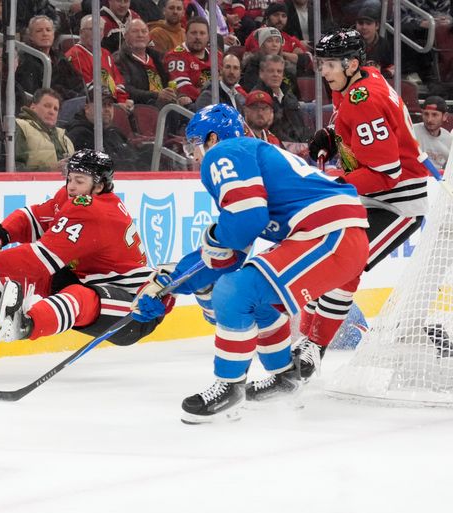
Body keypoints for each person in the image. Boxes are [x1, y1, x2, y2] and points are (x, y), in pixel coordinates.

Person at [131, 104, 370, 423]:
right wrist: (171, 282)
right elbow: (231, 254)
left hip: (330, 235)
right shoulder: (253, 155)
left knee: (234, 290)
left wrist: (183, 274)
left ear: (212, 137)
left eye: (195, 144)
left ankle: (229, 386)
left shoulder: (225, 151)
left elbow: (244, 223)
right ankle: (283, 377)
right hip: (335, 237)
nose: (196, 154)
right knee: (252, 295)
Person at [0, 149, 165, 362]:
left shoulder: (96, 211)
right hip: (90, 283)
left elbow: (39, 259)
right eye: (70, 178)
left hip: (135, 308)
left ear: (99, 185)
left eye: (79, 180)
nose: (71, 186)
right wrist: (1, 234)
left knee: (75, 294)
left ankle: (26, 325)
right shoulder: (74, 196)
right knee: (17, 280)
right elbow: (33, 217)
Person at [296, 29, 435, 383]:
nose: (323, 70)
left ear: (351, 63)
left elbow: (386, 171)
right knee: (323, 254)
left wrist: (334, 185)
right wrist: (334, 135)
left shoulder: (363, 97)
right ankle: (308, 341)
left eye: (328, 64)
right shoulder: (357, 81)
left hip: (397, 203)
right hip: (372, 194)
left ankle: (314, 346)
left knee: (346, 262)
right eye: (322, 62)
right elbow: (358, 131)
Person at [66, 87, 146, 170]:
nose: (107, 109)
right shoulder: (79, 135)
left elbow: (135, 159)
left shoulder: (115, 132)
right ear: (87, 108)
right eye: (102, 105)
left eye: (110, 105)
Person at [66, 15, 130, 105]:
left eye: (99, 29)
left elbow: (118, 82)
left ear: (103, 33)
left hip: (112, 104)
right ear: (81, 32)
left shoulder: (105, 53)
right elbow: (87, 90)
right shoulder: (74, 55)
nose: (96, 33)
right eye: (91, 29)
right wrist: (115, 104)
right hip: (94, 106)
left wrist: (122, 101)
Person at [17, 15, 85, 100]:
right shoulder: (25, 60)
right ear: (31, 36)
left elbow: (77, 82)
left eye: (48, 30)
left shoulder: (59, 56)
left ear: (53, 34)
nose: (45, 34)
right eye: (39, 31)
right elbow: (34, 91)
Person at [113, 18, 177, 108]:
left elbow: (170, 79)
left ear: (149, 36)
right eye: (135, 31)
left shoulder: (158, 57)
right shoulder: (119, 59)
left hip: (165, 106)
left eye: (144, 31)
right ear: (125, 35)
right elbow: (125, 89)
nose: (140, 35)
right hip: (139, 108)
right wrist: (156, 95)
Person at [165, 17, 222, 107]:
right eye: (193, 33)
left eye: (202, 33)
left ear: (208, 37)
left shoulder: (217, 55)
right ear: (186, 34)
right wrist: (214, 100)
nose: (198, 37)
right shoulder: (176, 56)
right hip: (193, 108)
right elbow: (184, 88)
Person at [15, 88, 75, 171]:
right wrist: (50, 170)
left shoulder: (65, 138)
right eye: (47, 106)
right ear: (33, 107)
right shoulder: (21, 126)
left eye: (55, 109)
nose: (52, 112)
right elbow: (14, 168)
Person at [413, 95, 452, 172]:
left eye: (434, 115)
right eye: (426, 114)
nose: (429, 119)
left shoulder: (449, 139)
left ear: (445, 116)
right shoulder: (411, 131)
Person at [355, 5, 394, 78]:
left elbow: (391, 68)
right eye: (360, 23)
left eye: (368, 23)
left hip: (378, 83)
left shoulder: (384, 44)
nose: (364, 27)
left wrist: (381, 75)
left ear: (377, 26)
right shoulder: (350, 44)